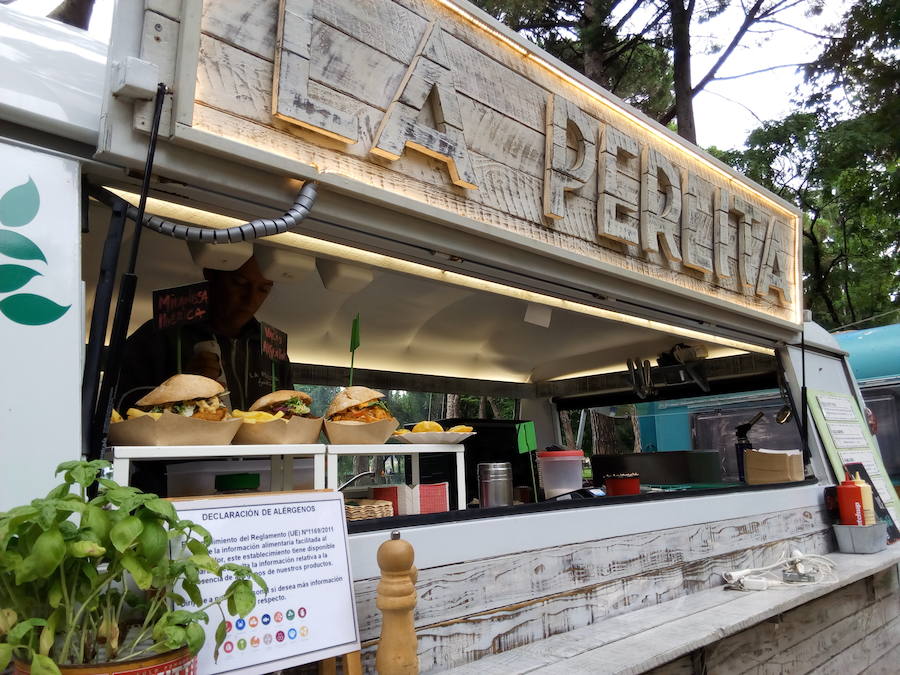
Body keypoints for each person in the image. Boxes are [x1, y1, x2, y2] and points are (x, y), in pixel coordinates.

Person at [118, 255, 293, 413]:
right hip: (180, 447)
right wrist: (182, 390)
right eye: (239, 283)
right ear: (211, 274)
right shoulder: (158, 337)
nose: (251, 299)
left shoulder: (272, 350)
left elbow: (290, 415)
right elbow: (121, 411)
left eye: (263, 289)